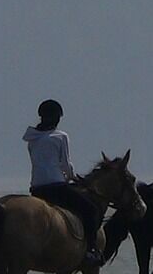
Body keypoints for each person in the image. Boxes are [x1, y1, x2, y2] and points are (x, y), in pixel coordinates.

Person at [24, 99, 102, 264]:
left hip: (36, 188)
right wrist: (72, 176)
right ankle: (91, 251)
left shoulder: (32, 139)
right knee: (90, 209)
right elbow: (65, 164)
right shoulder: (61, 137)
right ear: (56, 118)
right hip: (56, 186)